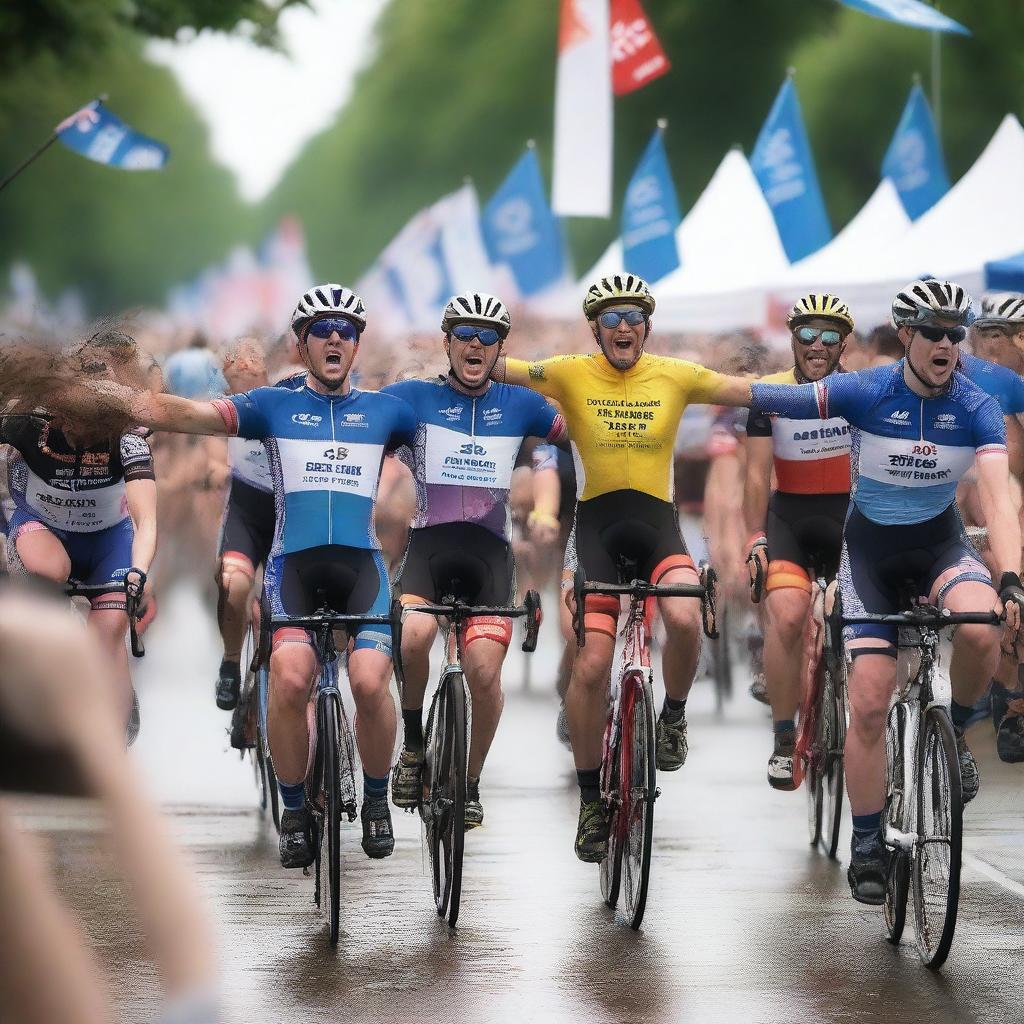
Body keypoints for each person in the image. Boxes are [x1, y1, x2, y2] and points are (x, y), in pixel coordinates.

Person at [102, 285, 418, 868]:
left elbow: (457, 444)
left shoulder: (387, 411)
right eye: (321, 328)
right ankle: (294, 808)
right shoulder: (272, 405)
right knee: (292, 678)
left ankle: (377, 799)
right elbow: (192, 414)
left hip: (360, 568)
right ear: (301, 344)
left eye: (345, 330)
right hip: (293, 565)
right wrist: (116, 401)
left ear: (357, 344)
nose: (334, 338)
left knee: (371, 682)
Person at [750, 278, 1024, 904]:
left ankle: (954, 732)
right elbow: (753, 394)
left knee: (983, 623)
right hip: (869, 555)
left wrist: (1010, 577)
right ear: (906, 335)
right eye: (933, 331)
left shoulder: (977, 405)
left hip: (940, 547)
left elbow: (1000, 502)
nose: (946, 343)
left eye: (957, 333)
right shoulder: (866, 390)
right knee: (870, 703)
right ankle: (868, 840)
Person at [495, 273, 754, 862]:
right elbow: (492, 365)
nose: (625, 327)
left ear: (649, 326)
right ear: (595, 328)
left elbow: (746, 391)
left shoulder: (677, 375)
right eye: (612, 318)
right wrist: (451, 357)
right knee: (589, 665)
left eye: (635, 316)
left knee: (686, 620)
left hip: (658, 531)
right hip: (597, 536)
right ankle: (591, 799)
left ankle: (674, 718)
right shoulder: (567, 371)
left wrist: (830, 389)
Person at [382, 292, 565, 828]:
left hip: (490, 556)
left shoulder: (522, 403)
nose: (475, 344)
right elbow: (351, 419)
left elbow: (572, 439)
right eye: (464, 334)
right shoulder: (412, 397)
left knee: (484, 673)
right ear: (447, 342)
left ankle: (471, 778)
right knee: (414, 637)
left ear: (500, 347)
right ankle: (414, 746)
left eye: (487, 336)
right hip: (429, 549)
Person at [3, 331, 157, 742]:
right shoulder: (26, 426)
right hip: (43, 528)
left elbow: (147, 519)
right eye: (67, 417)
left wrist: (140, 572)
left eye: (87, 423)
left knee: (104, 641)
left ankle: (112, 741)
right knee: (51, 568)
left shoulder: (128, 438)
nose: (74, 430)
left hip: (109, 540)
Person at [743, 294, 854, 790]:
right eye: (807, 334)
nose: (817, 345)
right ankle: (785, 740)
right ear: (791, 339)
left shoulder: (861, 390)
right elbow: (754, 477)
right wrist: (754, 538)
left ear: (843, 344)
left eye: (829, 336)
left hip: (851, 520)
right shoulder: (770, 394)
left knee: (862, 620)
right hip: (790, 517)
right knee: (787, 613)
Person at [209, 338, 274, 713]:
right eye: (237, 382)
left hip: (288, 510)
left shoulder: (289, 396)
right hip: (246, 511)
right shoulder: (223, 410)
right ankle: (231, 661)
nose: (246, 391)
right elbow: (211, 452)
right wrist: (214, 469)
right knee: (234, 584)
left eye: (253, 380)